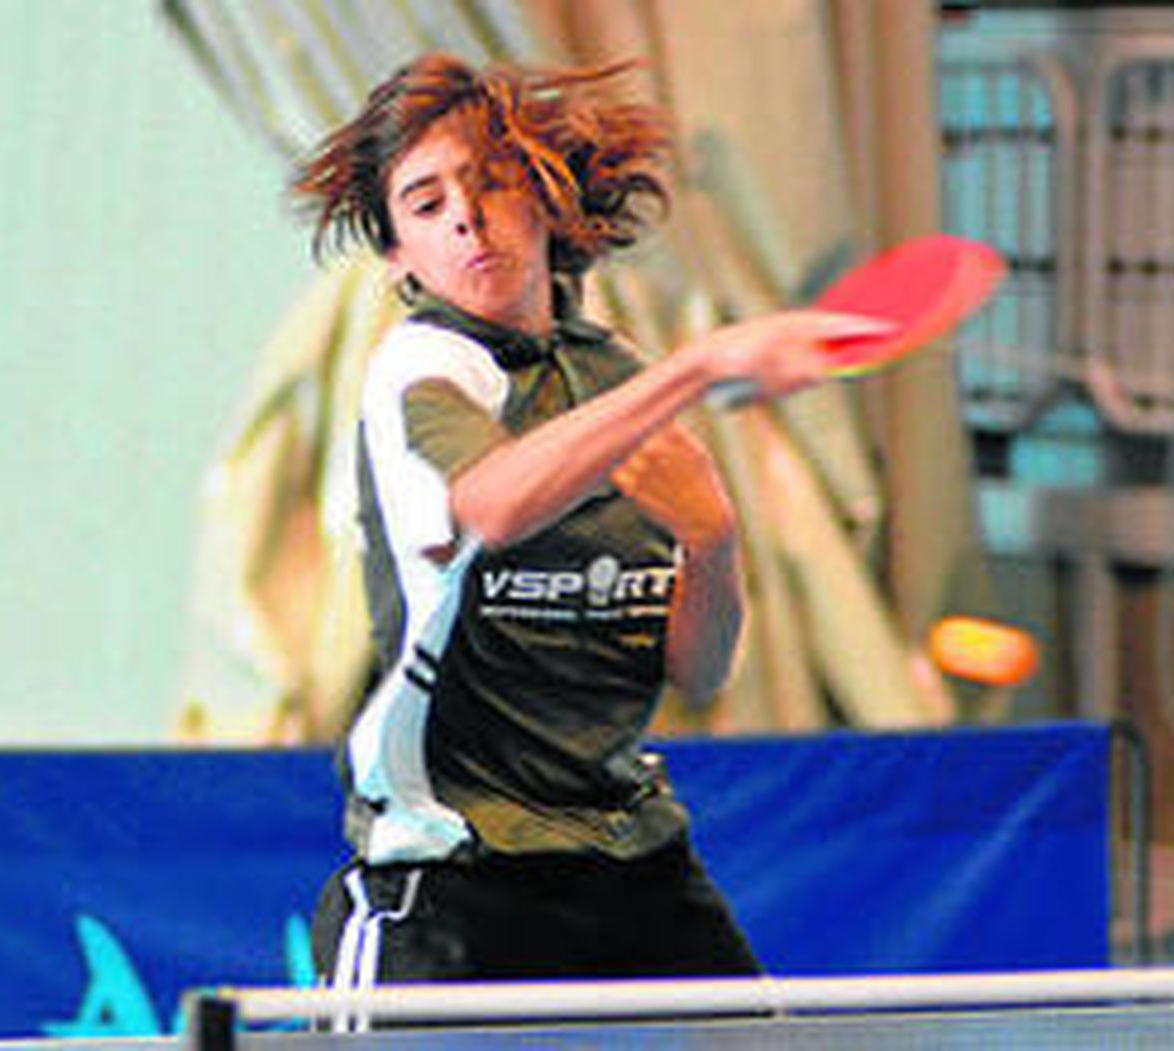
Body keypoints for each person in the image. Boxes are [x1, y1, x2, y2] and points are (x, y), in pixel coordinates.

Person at [291, 52, 885, 1001]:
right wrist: (694, 373)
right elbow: (492, 503)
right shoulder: (423, 368)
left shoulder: (614, 376)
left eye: (489, 182)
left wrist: (713, 545)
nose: (466, 220)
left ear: (545, 197)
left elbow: (697, 669)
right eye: (426, 201)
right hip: (451, 875)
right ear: (399, 253)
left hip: (627, 854)